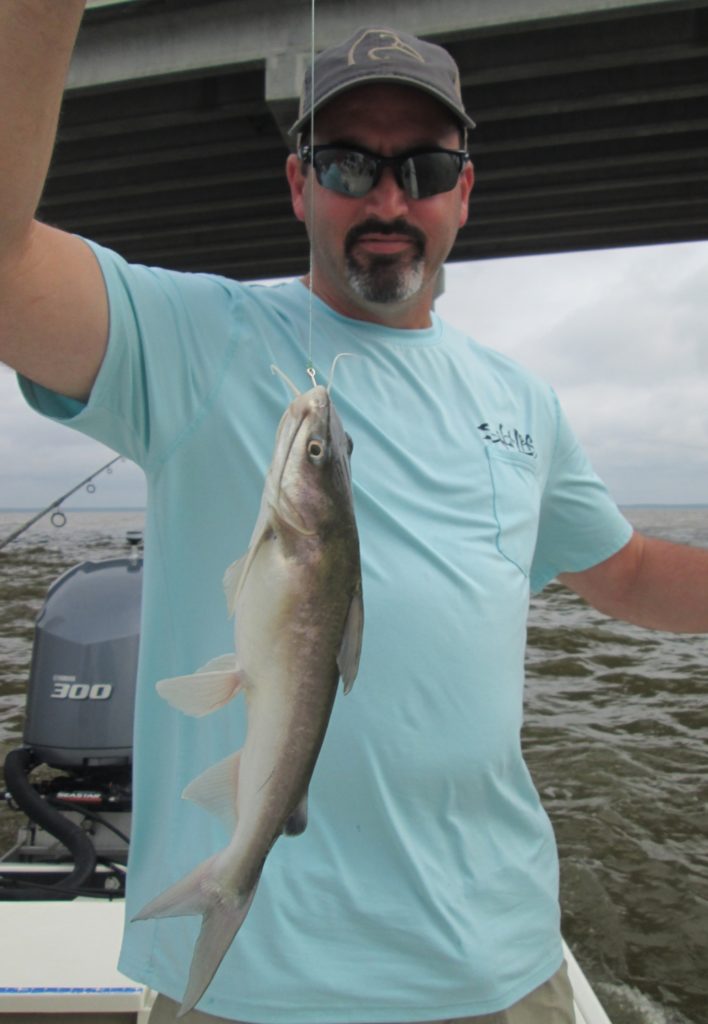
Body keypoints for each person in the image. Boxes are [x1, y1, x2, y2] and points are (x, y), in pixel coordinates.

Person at [1, 8, 707, 1024]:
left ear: (463, 190)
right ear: (297, 183)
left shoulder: (524, 402)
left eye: (422, 168)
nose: (387, 197)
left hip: (497, 971)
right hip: (257, 989)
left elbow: (629, 573)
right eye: (347, 165)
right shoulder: (195, 340)